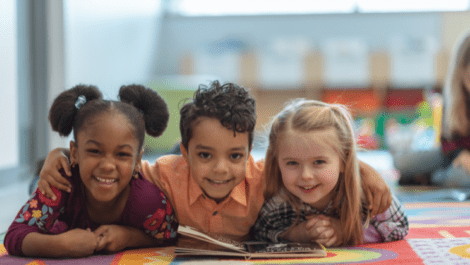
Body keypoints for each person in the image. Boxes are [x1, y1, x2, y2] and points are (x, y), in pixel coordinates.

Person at [37, 81, 392, 240]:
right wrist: (55, 156)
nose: (221, 169)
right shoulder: (164, 173)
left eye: (235, 155)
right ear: (186, 152)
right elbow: (113, 164)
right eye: (205, 156)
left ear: (250, 153)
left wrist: (362, 169)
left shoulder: (266, 178)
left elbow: (309, 165)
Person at [4, 84, 178, 258]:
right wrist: (59, 245)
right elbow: (15, 234)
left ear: (138, 161)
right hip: (56, 190)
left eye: (122, 154)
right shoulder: (60, 182)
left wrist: (129, 237)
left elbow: (169, 235)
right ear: (74, 153)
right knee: (37, 185)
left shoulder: (149, 200)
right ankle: (40, 171)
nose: (107, 166)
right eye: (95, 151)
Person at [254, 99, 408, 246]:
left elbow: (399, 226)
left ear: (343, 160)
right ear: (277, 162)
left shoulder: (366, 193)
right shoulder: (280, 200)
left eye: (319, 162)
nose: (306, 175)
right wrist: (296, 234)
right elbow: (260, 231)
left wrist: (348, 232)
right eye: (292, 163)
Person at [391, 30, 470, 187]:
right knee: (401, 161)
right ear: (460, 74)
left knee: (457, 180)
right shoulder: (455, 98)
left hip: (462, 163)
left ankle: (429, 177)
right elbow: (447, 139)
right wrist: (460, 154)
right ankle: (426, 175)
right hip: (451, 154)